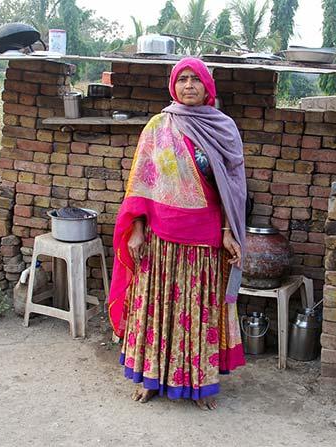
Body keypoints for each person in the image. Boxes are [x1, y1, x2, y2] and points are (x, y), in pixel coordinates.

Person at [108, 57, 247, 410]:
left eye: (195, 79)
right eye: (182, 79)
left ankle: (200, 384)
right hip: (160, 239)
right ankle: (150, 379)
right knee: (157, 309)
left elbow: (232, 189)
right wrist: (137, 230)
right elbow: (141, 182)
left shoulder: (223, 128)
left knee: (197, 313)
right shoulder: (158, 127)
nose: (188, 86)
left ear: (207, 87)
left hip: (204, 240)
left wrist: (229, 233)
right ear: (173, 85)